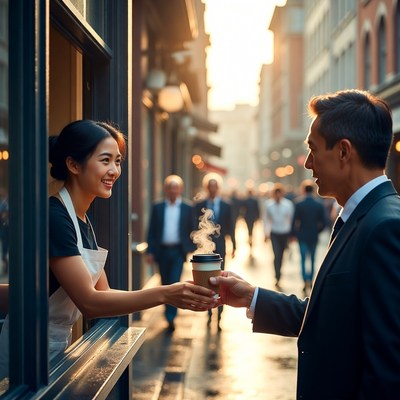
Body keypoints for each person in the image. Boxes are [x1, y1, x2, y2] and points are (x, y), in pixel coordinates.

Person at [210, 89, 400, 399]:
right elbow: (327, 317)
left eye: (312, 149)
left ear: (343, 152)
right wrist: (252, 297)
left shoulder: (385, 227)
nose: (308, 163)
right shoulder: (363, 216)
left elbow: (388, 369)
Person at [0, 120, 216, 379]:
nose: (114, 170)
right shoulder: (55, 217)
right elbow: (90, 302)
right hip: (29, 348)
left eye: (118, 161)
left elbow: (103, 292)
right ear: (73, 165)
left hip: (53, 347)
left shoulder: (82, 219)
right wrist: (166, 294)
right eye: (105, 160)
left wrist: (171, 293)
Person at [146, 175, 197, 331]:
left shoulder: (188, 208)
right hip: (162, 251)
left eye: (176, 187)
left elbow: (192, 229)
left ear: (180, 189)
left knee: (174, 283)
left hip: (177, 252)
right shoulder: (158, 207)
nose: (173, 191)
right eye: (170, 187)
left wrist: (190, 247)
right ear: (166, 189)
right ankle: (167, 313)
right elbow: (152, 230)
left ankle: (171, 317)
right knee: (165, 283)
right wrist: (150, 251)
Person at [195, 173, 236, 330]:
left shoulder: (227, 205)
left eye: (215, 186)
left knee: (220, 279)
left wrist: (235, 245)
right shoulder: (200, 204)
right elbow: (195, 224)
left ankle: (219, 315)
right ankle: (209, 313)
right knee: (205, 280)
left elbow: (231, 226)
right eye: (209, 186)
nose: (212, 189)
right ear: (207, 188)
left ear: (218, 188)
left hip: (221, 247)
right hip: (204, 247)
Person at [291, 180, 328, 294]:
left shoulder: (298, 203)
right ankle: (311, 280)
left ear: (303, 190)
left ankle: (304, 281)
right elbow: (325, 221)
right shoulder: (319, 204)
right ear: (313, 190)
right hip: (313, 235)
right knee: (312, 259)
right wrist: (318, 231)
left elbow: (294, 221)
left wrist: (295, 234)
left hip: (302, 235)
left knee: (302, 259)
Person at [263, 183, 294, 290]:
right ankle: (277, 276)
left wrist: (291, 234)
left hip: (284, 233)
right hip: (274, 233)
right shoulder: (268, 205)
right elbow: (266, 220)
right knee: (276, 254)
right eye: (276, 194)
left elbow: (291, 220)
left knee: (281, 255)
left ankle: (279, 273)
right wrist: (265, 234)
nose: (277, 196)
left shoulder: (288, 205)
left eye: (279, 193)